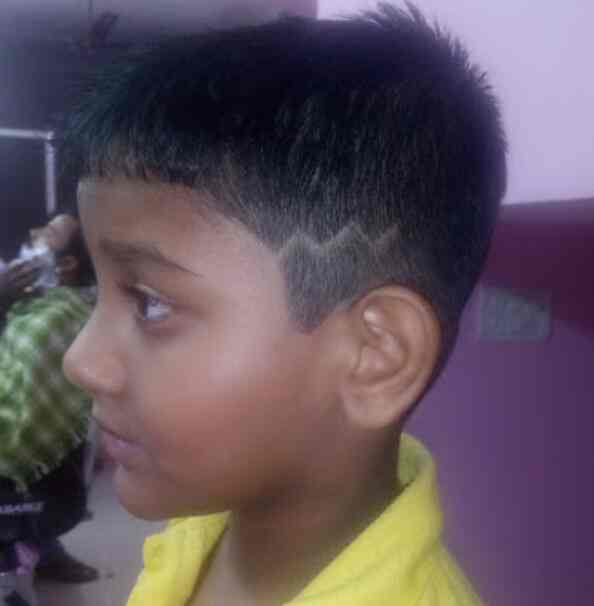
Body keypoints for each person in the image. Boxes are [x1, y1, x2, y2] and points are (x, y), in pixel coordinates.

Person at [62, 4, 506, 605]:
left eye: (151, 304)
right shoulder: (208, 520)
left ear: (374, 356)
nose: (81, 361)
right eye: (101, 290)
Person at [0, 215, 99, 584]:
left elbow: (22, 395)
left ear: (67, 264)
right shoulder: (35, 303)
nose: (33, 232)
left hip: (34, 442)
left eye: (49, 232)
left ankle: (37, 552)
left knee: (34, 497)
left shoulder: (55, 316)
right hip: (37, 445)